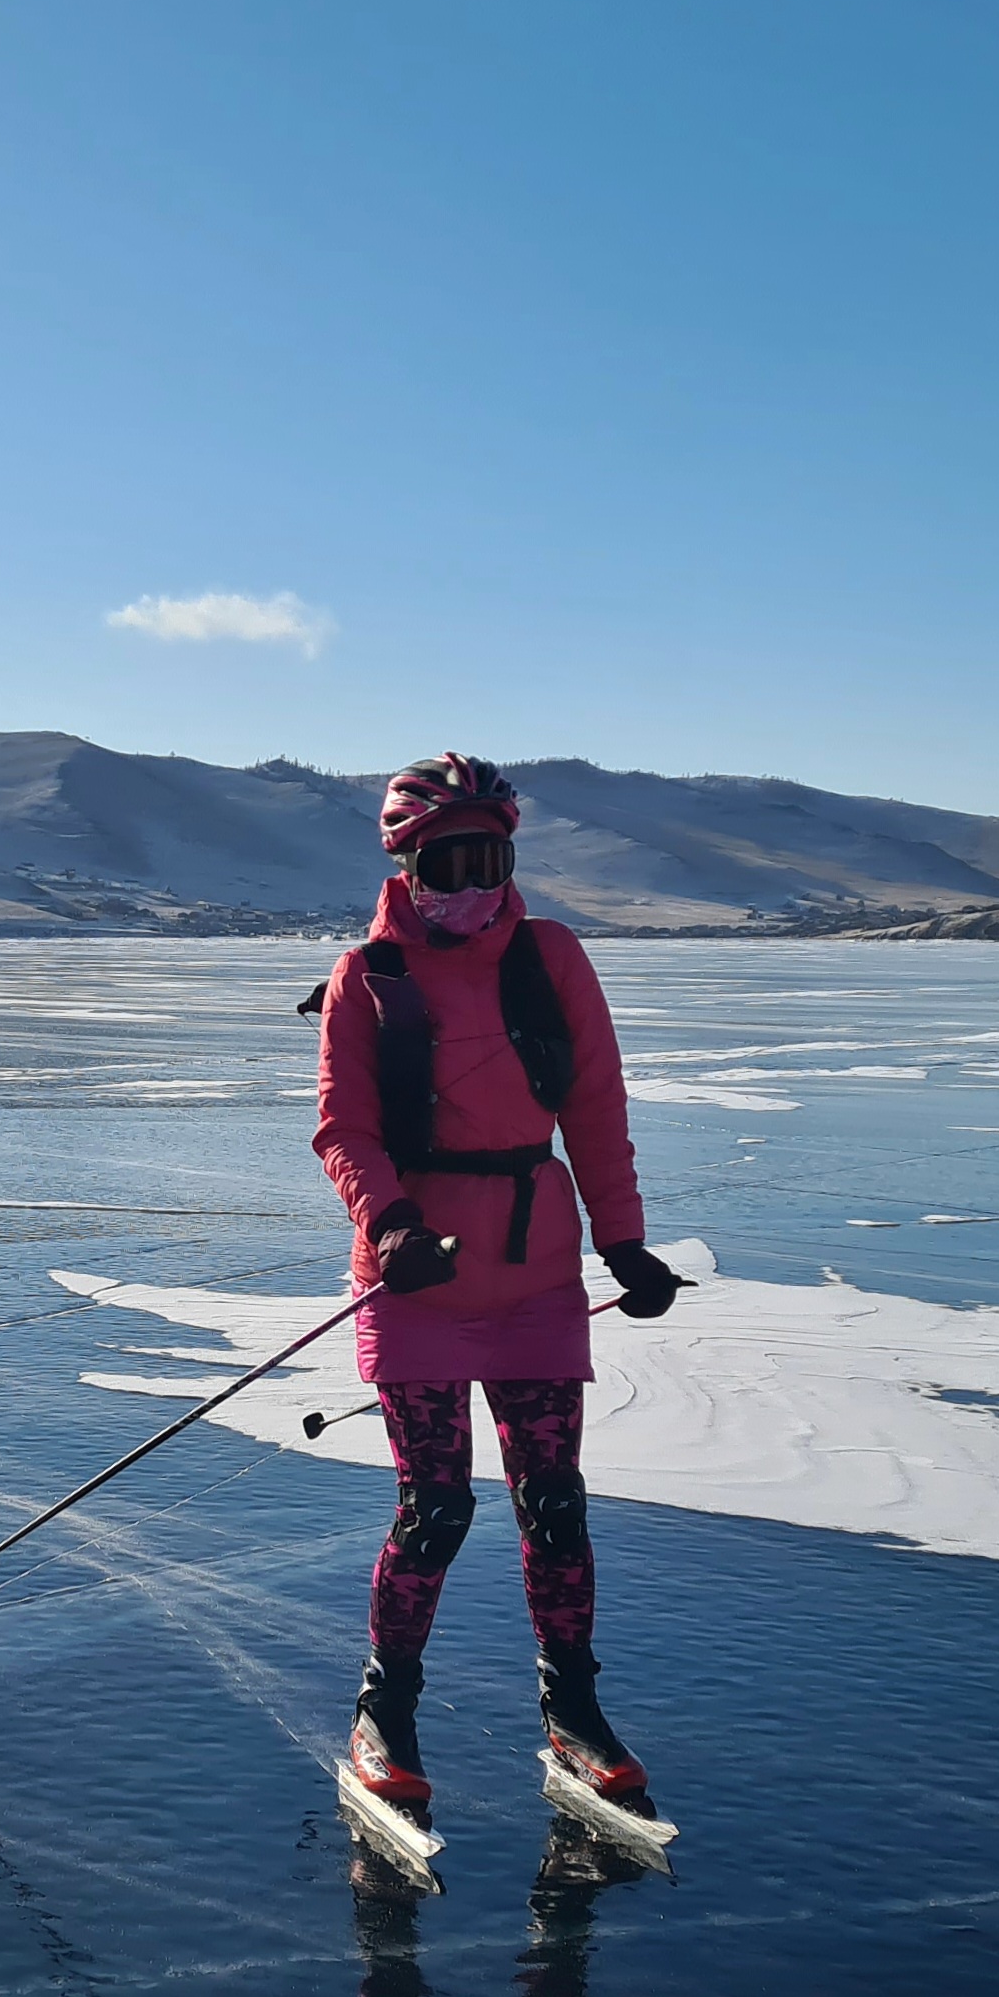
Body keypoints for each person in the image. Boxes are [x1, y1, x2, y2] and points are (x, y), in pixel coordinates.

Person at [309, 752, 685, 1823]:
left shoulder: (549, 957)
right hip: (417, 1285)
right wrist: (390, 1226)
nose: (472, 883)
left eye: (491, 860)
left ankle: (573, 1714)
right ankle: (385, 1713)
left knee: (553, 1505)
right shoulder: (366, 976)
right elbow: (345, 1129)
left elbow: (596, 1107)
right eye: (449, 862)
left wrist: (624, 1243)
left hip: (534, 1280)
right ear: (406, 863)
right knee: (434, 1510)